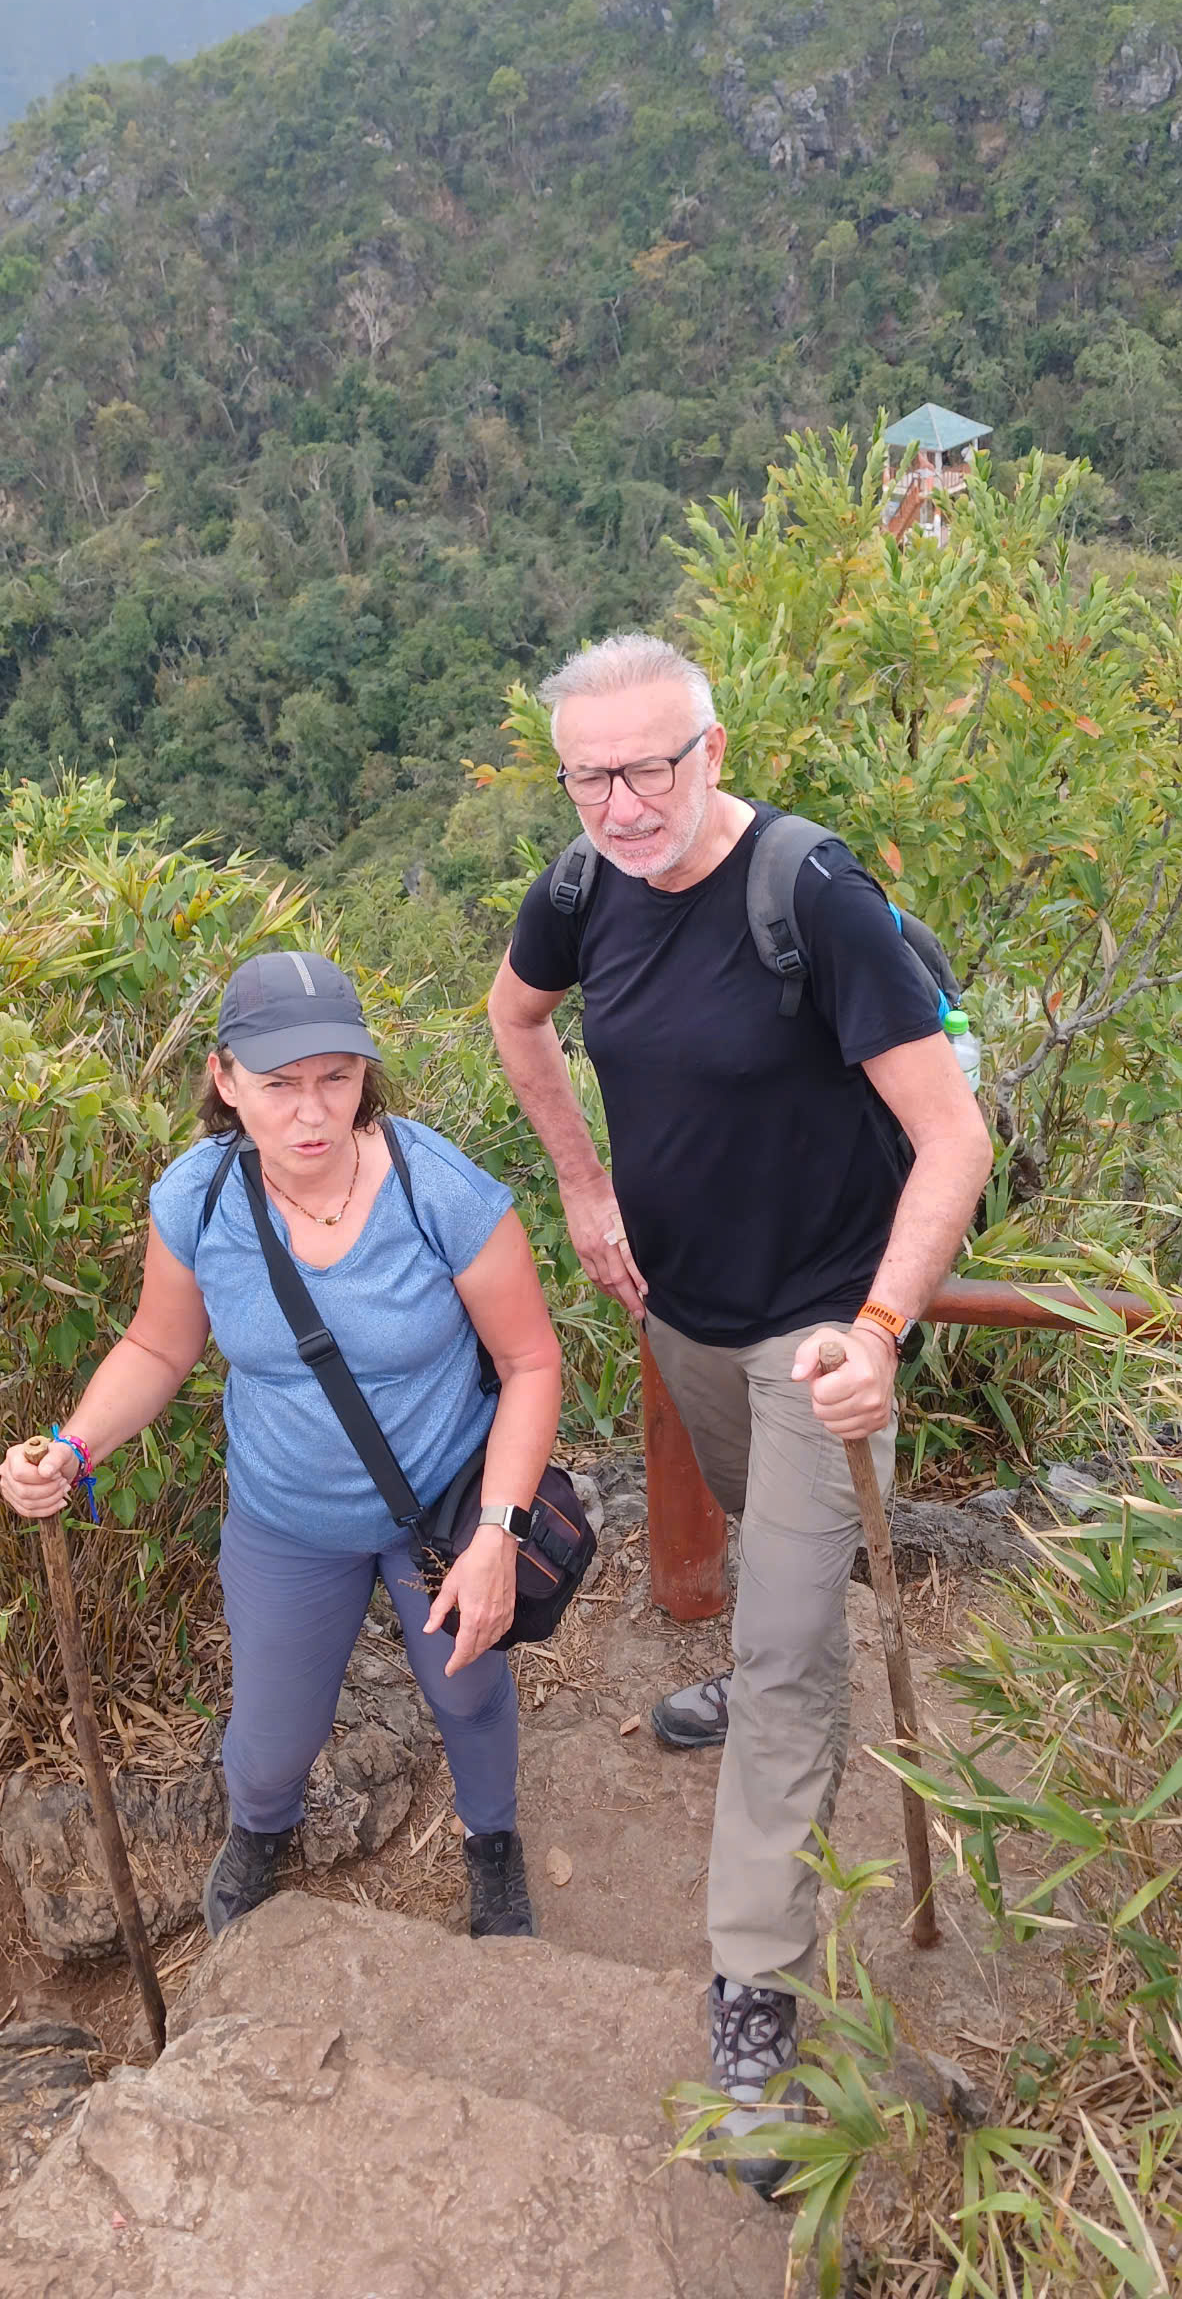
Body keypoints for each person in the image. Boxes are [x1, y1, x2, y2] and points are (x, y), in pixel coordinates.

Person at [487, 632, 993, 2188]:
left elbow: (950, 1132)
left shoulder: (808, 895)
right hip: (684, 1317)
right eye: (592, 776)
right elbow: (513, 1019)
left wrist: (884, 1326)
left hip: (818, 1337)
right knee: (773, 1584)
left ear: (711, 747)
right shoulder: (580, 889)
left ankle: (753, 1996)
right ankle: (779, 1660)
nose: (625, 801)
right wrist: (582, 1187)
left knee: (782, 1655)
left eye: (653, 764)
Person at [2, 949, 562, 1945]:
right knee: (269, 1743)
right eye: (279, 1085)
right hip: (286, 1517)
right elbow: (158, 1346)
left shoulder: (441, 1193)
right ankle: (261, 1830)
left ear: (364, 1073)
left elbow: (529, 1361)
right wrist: (71, 1445)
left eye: (335, 1079)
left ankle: (493, 1841)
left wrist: (497, 1535)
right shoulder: (201, 1200)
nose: (312, 1114)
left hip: (441, 1505)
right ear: (225, 1079)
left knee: (468, 1692)